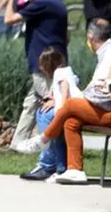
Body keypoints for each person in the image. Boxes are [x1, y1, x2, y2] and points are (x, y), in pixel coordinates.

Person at [18, 22, 111, 184]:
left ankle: (44, 140)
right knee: (71, 120)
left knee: (71, 105)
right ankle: (75, 170)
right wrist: (108, 79)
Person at [4, 0, 68, 151]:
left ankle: (51, 148)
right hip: (52, 61)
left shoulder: (43, 3)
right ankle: (17, 144)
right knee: (31, 103)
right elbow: (67, 36)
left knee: (50, 103)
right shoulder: (53, 2)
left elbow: (9, 19)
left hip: (45, 64)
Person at [18, 48, 74, 182]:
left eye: (42, 65)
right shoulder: (62, 73)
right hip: (67, 107)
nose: (40, 68)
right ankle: (47, 157)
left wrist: (60, 105)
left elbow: (66, 89)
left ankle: (47, 152)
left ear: (49, 65)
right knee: (42, 111)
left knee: (48, 116)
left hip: (67, 108)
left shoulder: (60, 73)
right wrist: (52, 96)